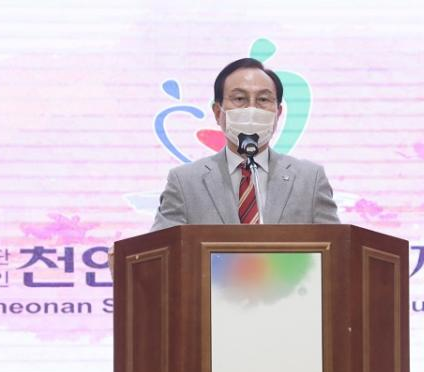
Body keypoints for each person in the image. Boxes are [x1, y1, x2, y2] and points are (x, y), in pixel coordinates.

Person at [109, 58, 339, 272]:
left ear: (278, 112)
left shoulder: (310, 179)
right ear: (218, 112)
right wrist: (126, 263)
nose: (251, 109)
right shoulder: (185, 182)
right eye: (239, 99)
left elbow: (337, 254)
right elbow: (161, 254)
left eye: (263, 100)